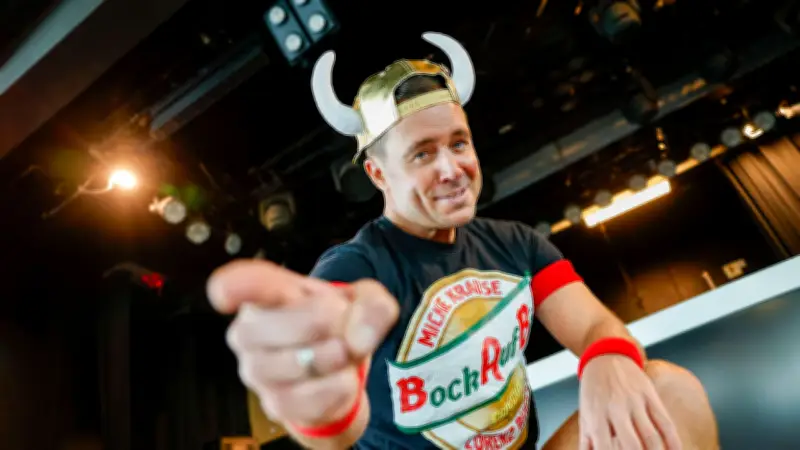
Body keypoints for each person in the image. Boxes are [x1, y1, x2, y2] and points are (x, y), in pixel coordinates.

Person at [207, 32, 719, 450]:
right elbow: (332, 416)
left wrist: (606, 358)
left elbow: (592, 325)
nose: (451, 169)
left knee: (669, 388)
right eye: (422, 154)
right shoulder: (355, 269)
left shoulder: (516, 244)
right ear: (378, 174)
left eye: (459, 143)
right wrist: (316, 399)